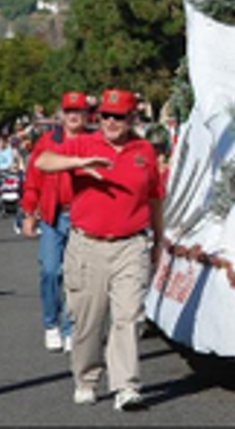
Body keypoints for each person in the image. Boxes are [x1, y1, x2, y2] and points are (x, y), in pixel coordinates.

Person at [35, 88, 164, 410]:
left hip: (131, 245)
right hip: (87, 244)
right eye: (105, 115)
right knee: (88, 321)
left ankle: (126, 387)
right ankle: (87, 378)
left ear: (132, 118)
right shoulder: (83, 142)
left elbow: (155, 198)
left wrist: (159, 241)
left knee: (128, 316)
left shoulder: (144, 151)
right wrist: (79, 162)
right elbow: (43, 161)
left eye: (118, 116)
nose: (110, 122)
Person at [20, 91, 90, 353]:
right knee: (51, 271)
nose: (73, 116)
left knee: (77, 276)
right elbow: (32, 180)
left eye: (78, 111)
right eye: (69, 111)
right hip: (53, 215)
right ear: (62, 114)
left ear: (86, 115)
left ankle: (70, 327)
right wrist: (29, 213)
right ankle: (51, 324)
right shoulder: (47, 142)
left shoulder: (93, 142)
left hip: (83, 217)